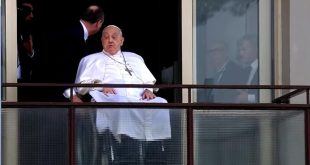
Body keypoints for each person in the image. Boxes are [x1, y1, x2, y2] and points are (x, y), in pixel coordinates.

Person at [73, 25, 171, 164]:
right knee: (121, 104)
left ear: (122, 40)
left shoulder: (135, 58)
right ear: (101, 40)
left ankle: (155, 153)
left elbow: (149, 81)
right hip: (111, 99)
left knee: (161, 103)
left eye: (114, 37)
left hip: (139, 98)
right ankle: (126, 151)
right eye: (106, 37)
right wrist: (100, 86)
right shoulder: (90, 59)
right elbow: (81, 86)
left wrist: (148, 90)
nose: (110, 40)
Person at [33, 4, 104, 102]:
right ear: (98, 23)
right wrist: (71, 94)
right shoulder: (73, 36)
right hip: (51, 94)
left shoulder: (74, 30)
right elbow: (59, 66)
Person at [17, 0, 36, 101]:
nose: (31, 16)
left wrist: (30, 52)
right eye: (28, 11)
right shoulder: (5, 29)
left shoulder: (28, 31)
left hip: (24, 81)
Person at [235, 34, 259, 103]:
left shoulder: (266, 68)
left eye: (244, 49)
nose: (241, 53)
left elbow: (270, 95)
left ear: (256, 48)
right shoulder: (245, 71)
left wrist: (248, 98)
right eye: (240, 50)